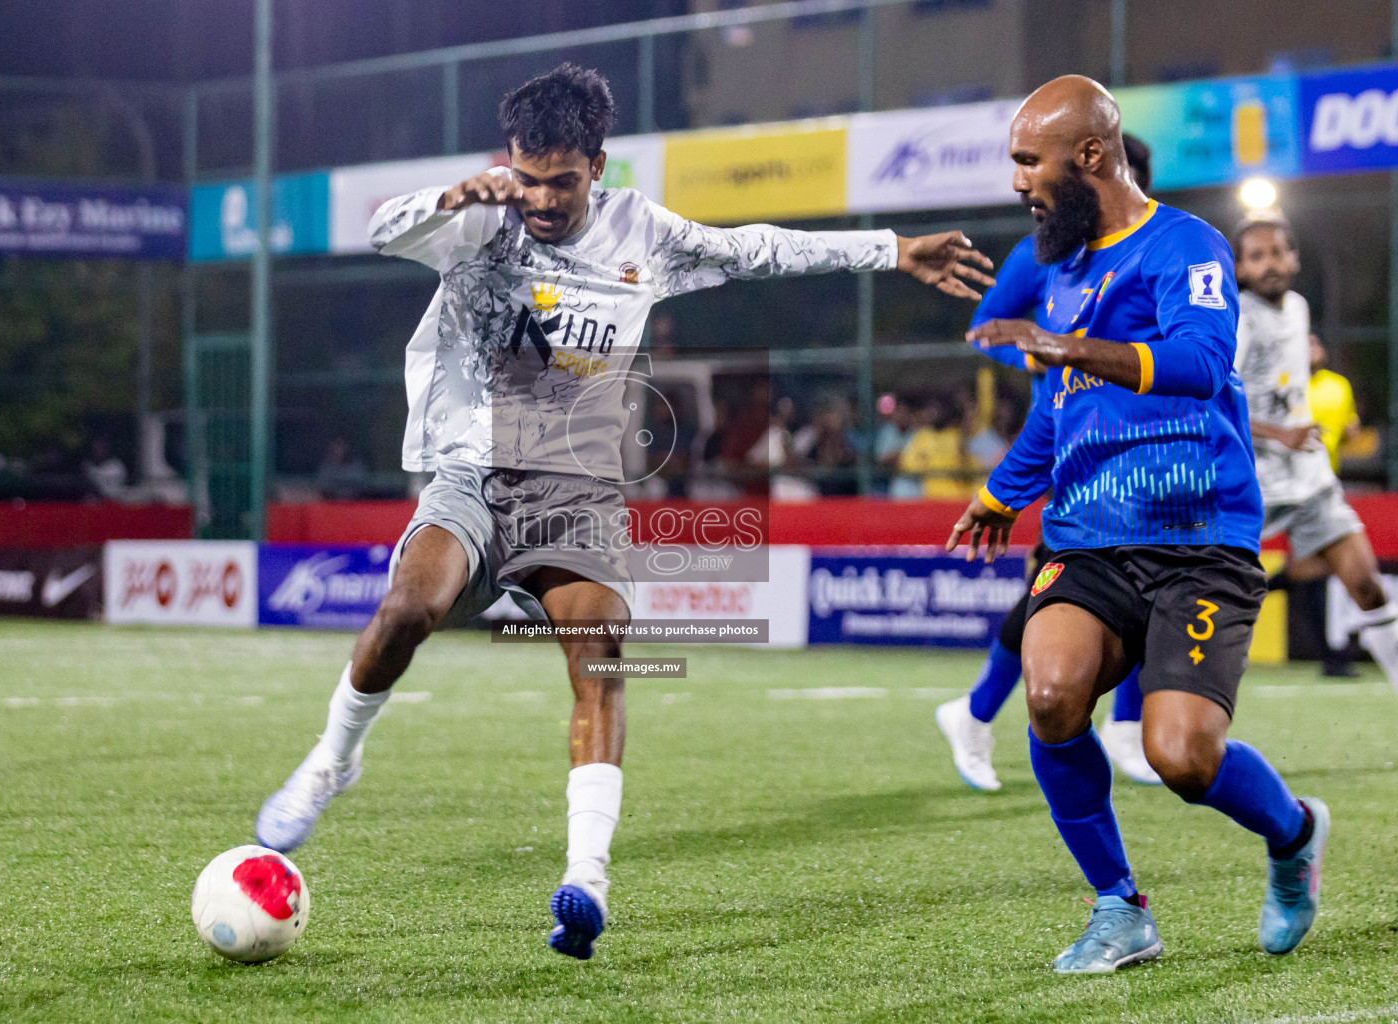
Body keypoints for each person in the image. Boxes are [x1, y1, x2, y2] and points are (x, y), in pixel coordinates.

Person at [253, 63, 995, 961]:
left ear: (597, 167)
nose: (543, 200)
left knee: (600, 655)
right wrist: (455, 194)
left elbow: (757, 249)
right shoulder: (481, 217)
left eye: (562, 182)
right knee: (409, 609)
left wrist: (888, 249)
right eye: (529, 178)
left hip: (575, 487)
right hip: (470, 468)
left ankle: (586, 879)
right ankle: (334, 760)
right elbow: (378, 231)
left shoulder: (644, 233)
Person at [950, 76, 1328, 972]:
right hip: (1089, 538)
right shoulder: (1062, 267)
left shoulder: (1183, 244)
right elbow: (1056, 405)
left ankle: (1294, 835)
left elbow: (1199, 363)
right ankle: (1120, 908)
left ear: (1089, 156)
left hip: (1202, 543)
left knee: (1180, 756)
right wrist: (1005, 493)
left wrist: (1070, 345)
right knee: (1049, 696)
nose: (1016, 182)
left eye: (1026, 161)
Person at [934, 131, 1163, 792]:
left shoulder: (1149, 251)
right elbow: (986, 329)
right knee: (1059, 582)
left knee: (1133, 573)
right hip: (1067, 441)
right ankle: (979, 712)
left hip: (1141, 445)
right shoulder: (1041, 254)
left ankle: (1099, 723)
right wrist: (1035, 354)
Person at [1232, 216, 1398, 689]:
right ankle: (1145, 714)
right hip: (1251, 484)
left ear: (1295, 258)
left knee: (1366, 584)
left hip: (1309, 480)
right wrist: (1277, 433)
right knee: (1215, 602)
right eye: (1257, 256)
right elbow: (1218, 400)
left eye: (1279, 252)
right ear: (1240, 269)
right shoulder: (1238, 318)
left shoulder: (1299, 308)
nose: (1271, 264)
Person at [1308, 332, 1360, 473]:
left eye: (1316, 343)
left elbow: (1350, 427)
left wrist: (1350, 431)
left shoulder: (1340, 385)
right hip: (1292, 474)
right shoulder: (1288, 385)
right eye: (1308, 344)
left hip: (1329, 471)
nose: (1314, 348)